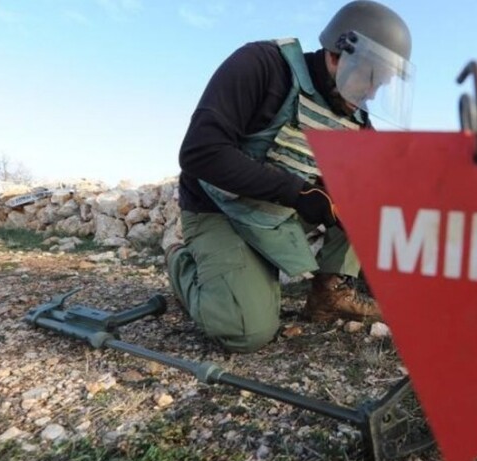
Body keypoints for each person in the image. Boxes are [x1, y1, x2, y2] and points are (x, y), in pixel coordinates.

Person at [162, 1, 414, 353]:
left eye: (380, 84)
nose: (372, 93)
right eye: (370, 78)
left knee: (370, 195)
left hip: (278, 216)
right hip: (219, 211)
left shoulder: (356, 119)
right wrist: (298, 193)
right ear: (338, 54)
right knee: (246, 330)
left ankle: (329, 293)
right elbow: (200, 153)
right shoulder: (262, 66)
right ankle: (178, 257)